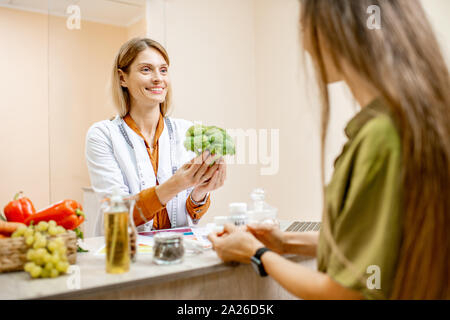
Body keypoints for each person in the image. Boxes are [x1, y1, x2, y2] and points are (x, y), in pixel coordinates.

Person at [208, 0, 450, 300]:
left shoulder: (381, 137)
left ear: (341, 30)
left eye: (305, 24)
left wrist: (257, 253)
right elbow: (379, 244)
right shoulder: (407, 120)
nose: (304, 39)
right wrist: (285, 242)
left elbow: (348, 295)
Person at [86, 38, 226, 234]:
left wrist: (201, 191)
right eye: (146, 69)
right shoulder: (102, 135)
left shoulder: (186, 131)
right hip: (125, 252)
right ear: (122, 78)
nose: (158, 78)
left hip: (176, 251)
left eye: (163, 70)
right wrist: (175, 185)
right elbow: (115, 212)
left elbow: (187, 213)